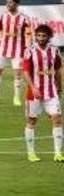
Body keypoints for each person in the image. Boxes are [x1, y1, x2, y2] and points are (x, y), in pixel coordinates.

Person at [20, 24, 62, 162]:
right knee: (32, 121)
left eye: (44, 36)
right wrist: (33, 87)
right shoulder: (29, 51)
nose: (40, 38)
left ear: (49, 36)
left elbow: (57, 70)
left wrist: (60, 87)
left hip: (51, 92)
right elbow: (25, 72)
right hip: (34, 93)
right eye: (38, 35)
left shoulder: (55, 51)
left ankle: (58, 153)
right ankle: (31, 153)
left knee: (57, 119)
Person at [0, 0, 31, 106]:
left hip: (19, 50)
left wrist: (28, 50)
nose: (8, 5)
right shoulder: (3, 17)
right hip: (3, 49)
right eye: (7, 2)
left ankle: (16, 97)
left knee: (18, 74)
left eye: (10, 3)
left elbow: (29, 35)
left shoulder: (24, 18)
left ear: (16, 4)